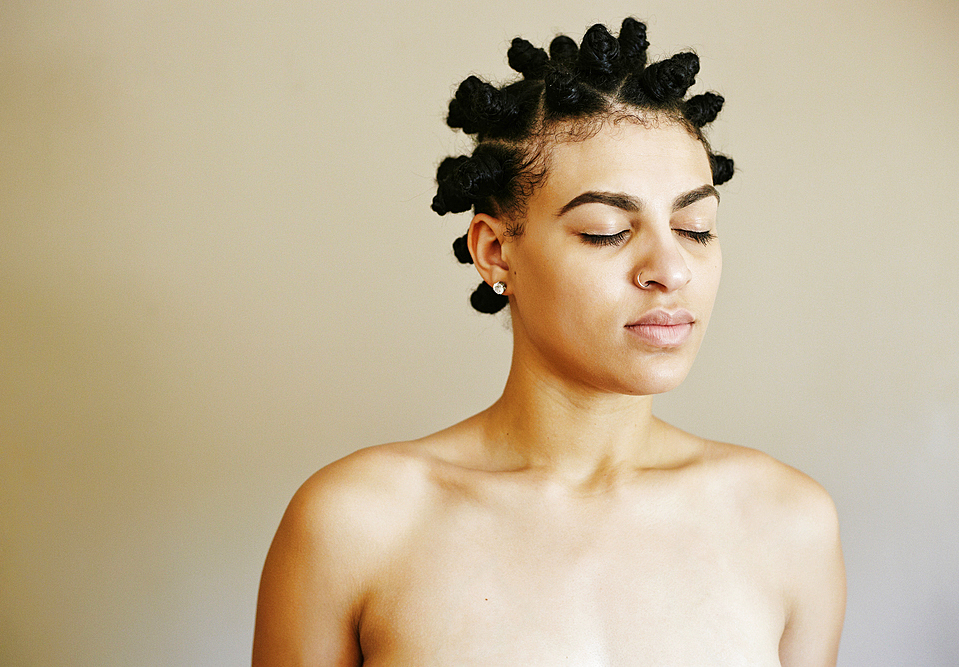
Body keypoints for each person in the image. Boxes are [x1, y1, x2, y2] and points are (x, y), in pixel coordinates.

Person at [253, 16, 846, 666]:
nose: (670, 269)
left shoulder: (789, 524)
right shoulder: (356, 524)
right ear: (496, 250)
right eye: (605, 231)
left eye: (696, 227)